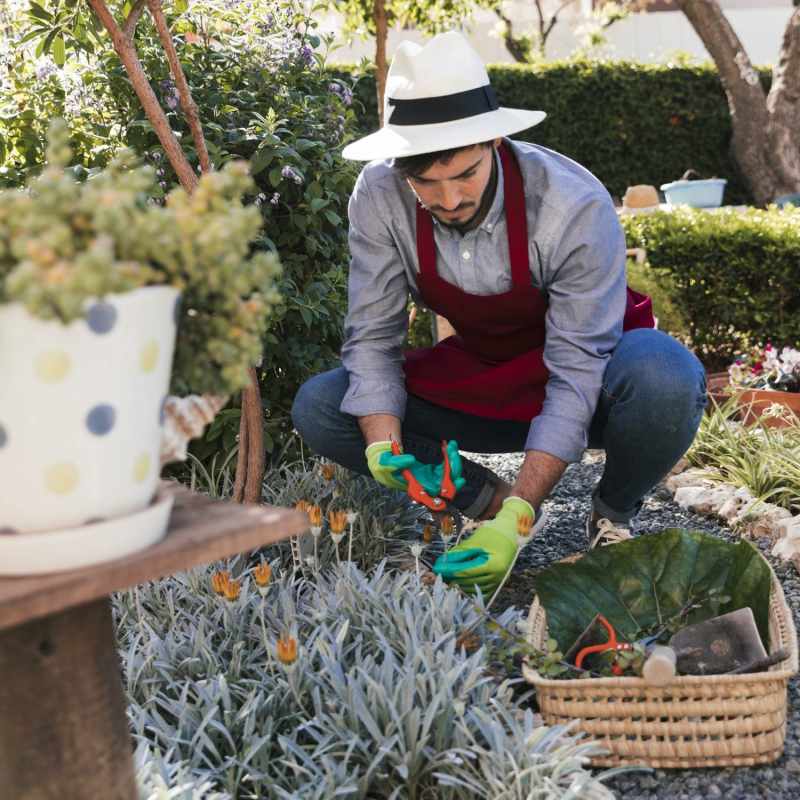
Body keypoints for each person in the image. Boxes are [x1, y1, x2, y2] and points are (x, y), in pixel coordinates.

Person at [291, 31, 707, 596]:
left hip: (596, 379)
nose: (449, 200)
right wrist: (383, 444)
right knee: (323, 405)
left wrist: (522, 518)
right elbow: (372, 336)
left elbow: (577, 367)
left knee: (667, 376)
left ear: (493, 140)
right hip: (486, 373)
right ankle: (486, 502)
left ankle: (612, 511)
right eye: (426, 183)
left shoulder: (571, 206)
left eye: (465, 174)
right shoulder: (380, 194)